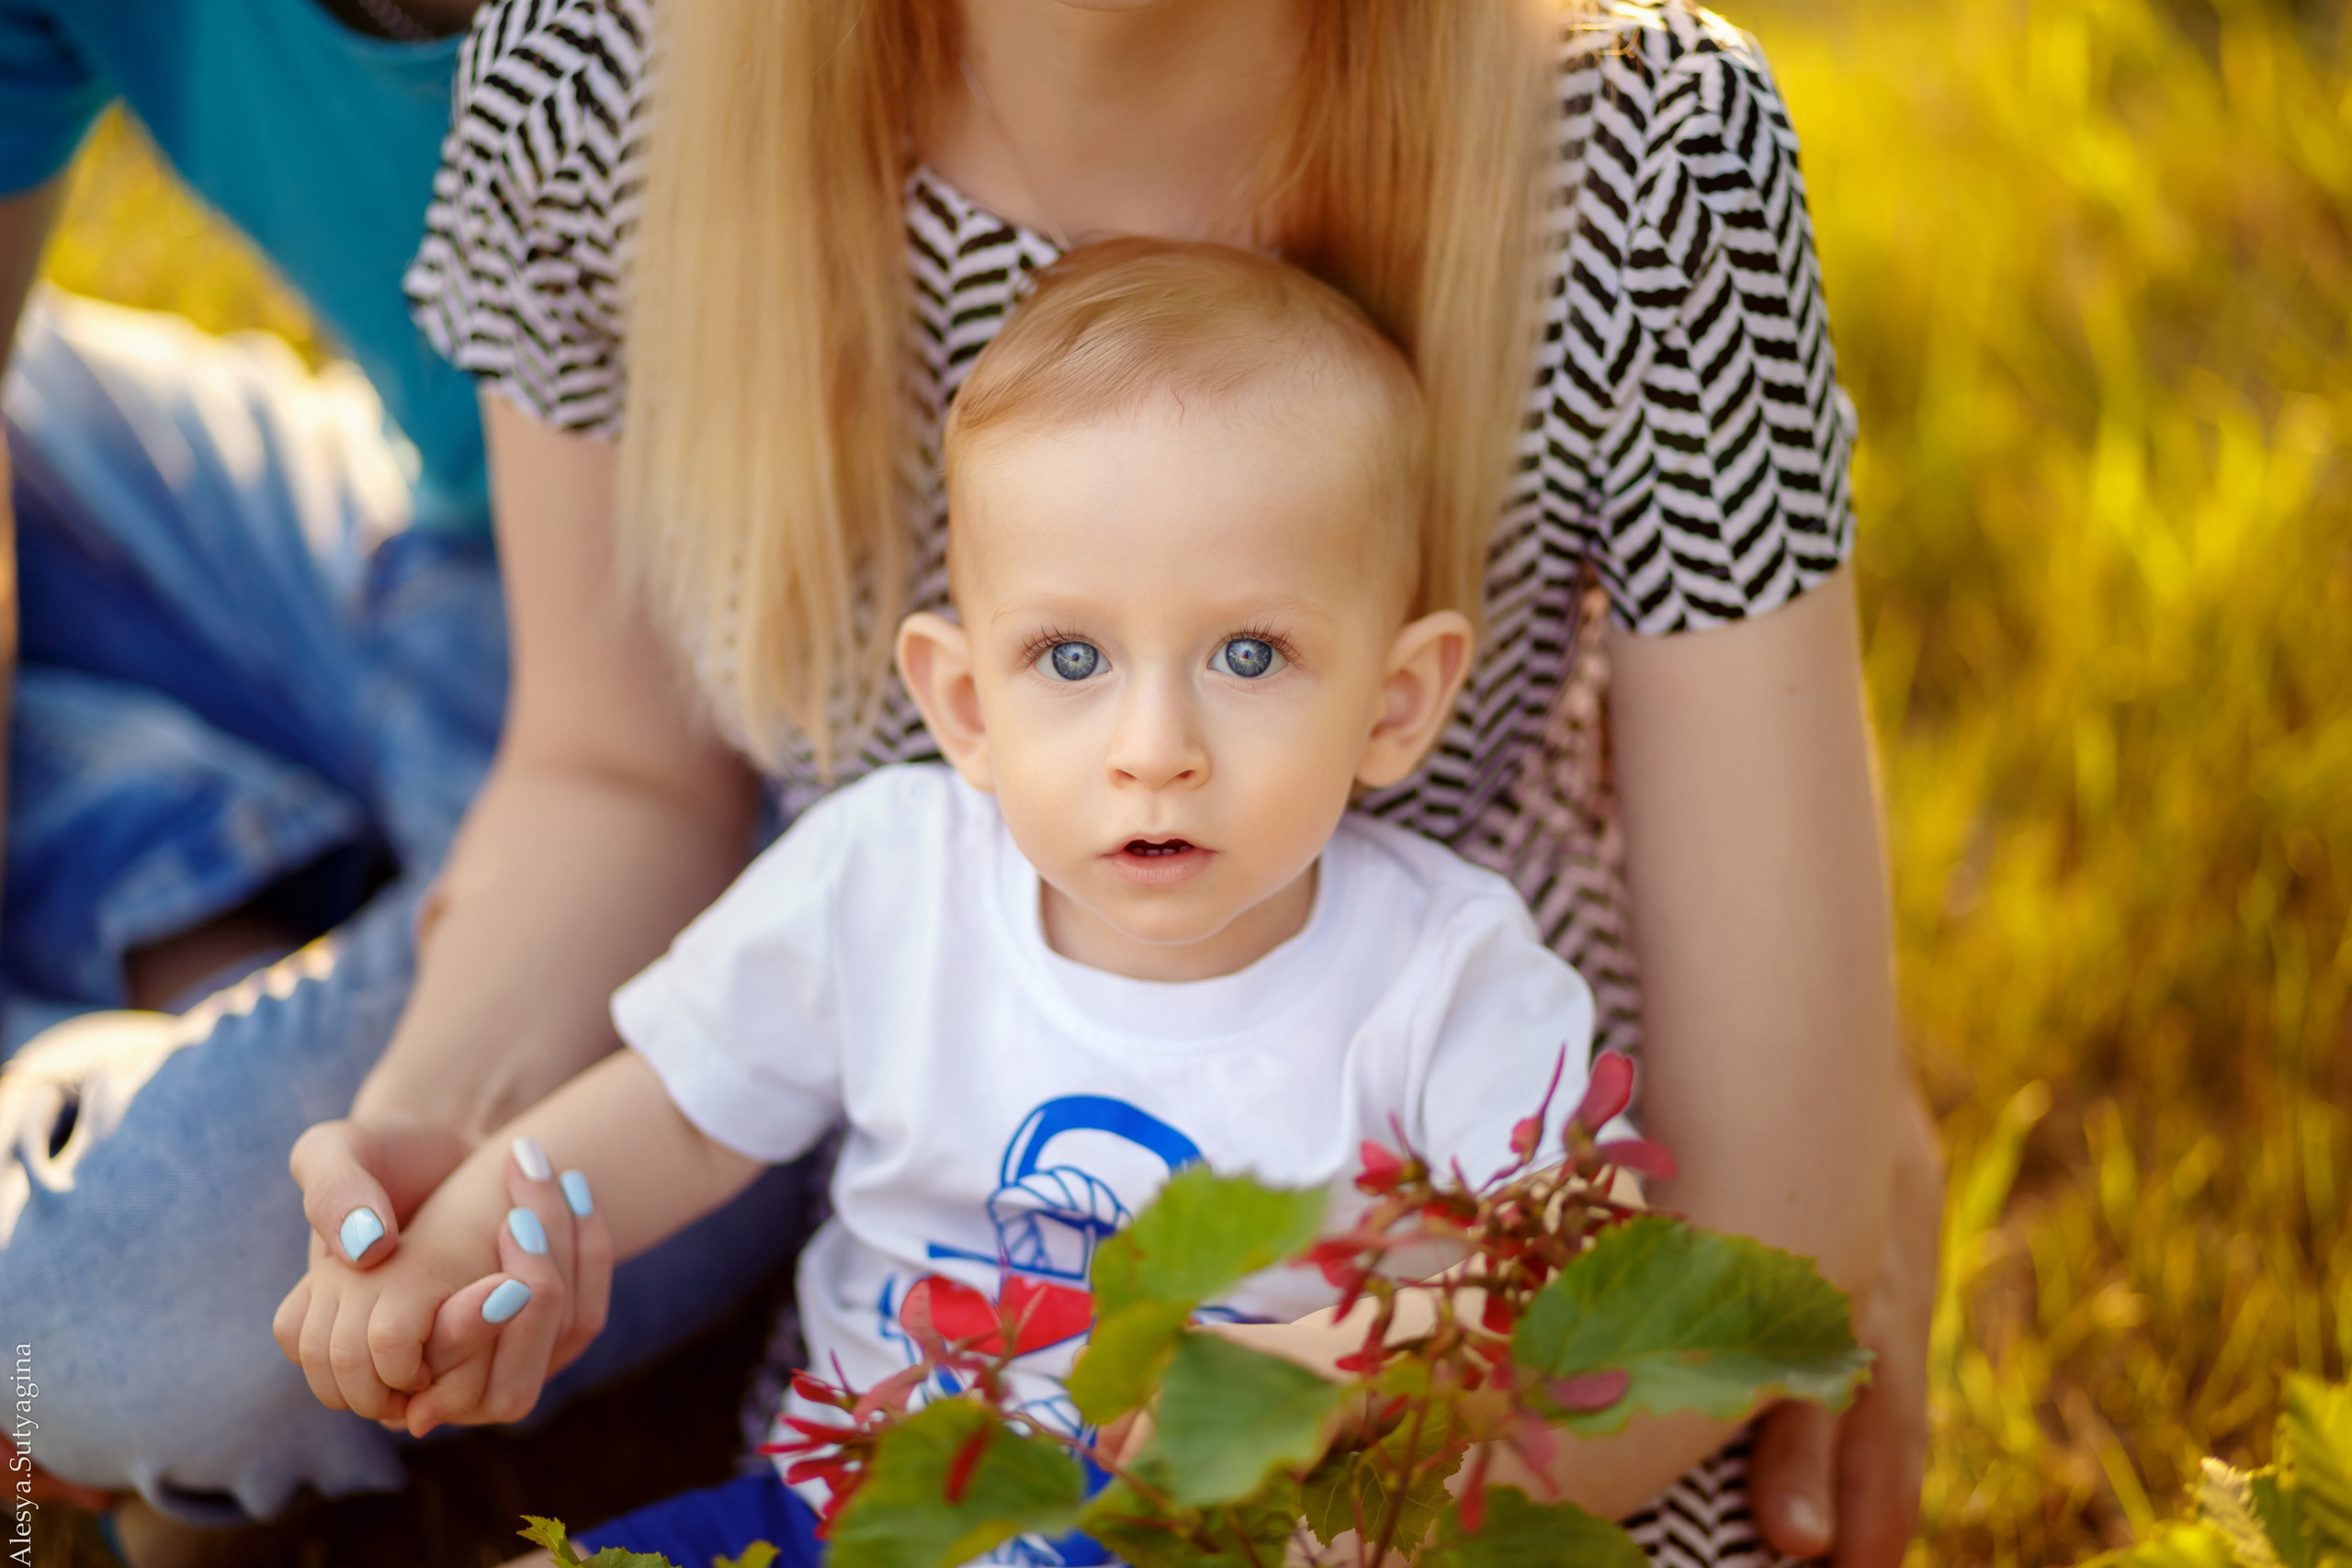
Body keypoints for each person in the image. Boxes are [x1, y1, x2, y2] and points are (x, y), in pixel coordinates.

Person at [287, 239, 1643, 1567]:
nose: (1153, 743)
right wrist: (468, 1238)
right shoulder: (892, 882)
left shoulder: (1443, 974)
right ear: (964, 703)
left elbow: (1565, 1278)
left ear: (1396, 704)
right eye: (1071, 656)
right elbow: (680, 1114)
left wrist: (1321, 1369)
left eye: (1249, 652)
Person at [0, 0, 814, 1550]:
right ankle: (200, 942)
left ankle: (185, 967)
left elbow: (640, 759)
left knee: (101, 1319)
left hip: (746, 754)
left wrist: (409, 1171)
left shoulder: (657, 52)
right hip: (428, 554)